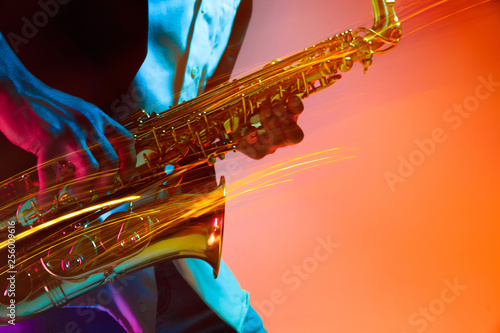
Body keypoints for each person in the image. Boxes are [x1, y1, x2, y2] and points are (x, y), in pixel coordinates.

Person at [0, 1, 304, 331]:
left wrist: (240, 128)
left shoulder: (239, 5)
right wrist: (19, 94)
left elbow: (187, 120)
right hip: (35, 263)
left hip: (179, 267)